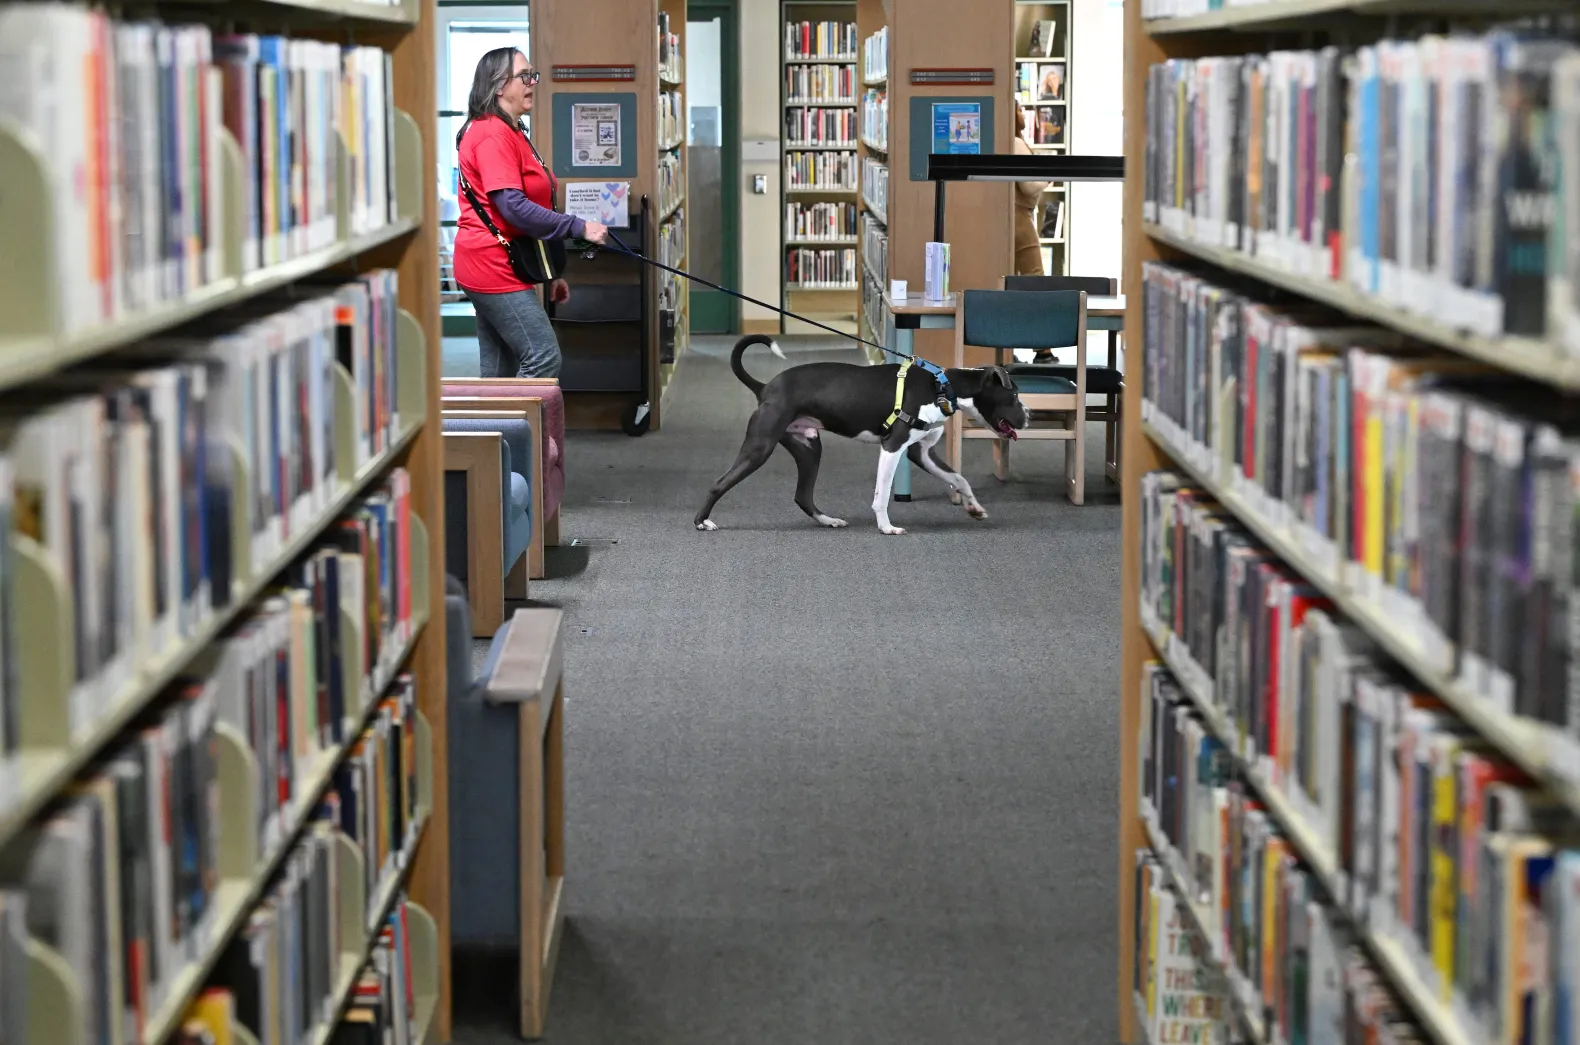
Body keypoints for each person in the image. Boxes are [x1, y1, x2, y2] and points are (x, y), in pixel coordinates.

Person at [453, 47, 610, 378]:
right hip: (490, 264)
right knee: (543, 357)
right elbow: (514, 207)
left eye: (532, 75)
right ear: (498, 86)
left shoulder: (512, 131)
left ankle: (499, 430)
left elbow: (536, 207)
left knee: (499, 368)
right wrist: (577, 227)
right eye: (524, 76)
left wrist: (550, 270)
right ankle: (520, 431)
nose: (532, 82)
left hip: (501, 260)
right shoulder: (491, 133)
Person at [1011, 103, 1049, 278]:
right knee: (1035, 276)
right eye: (1019, 110)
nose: (1024, 115)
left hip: (1017, 213)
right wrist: (1048, 177)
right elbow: (1028, 186)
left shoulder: (1010, 142)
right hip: (1020, 215)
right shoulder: (1016, 143)